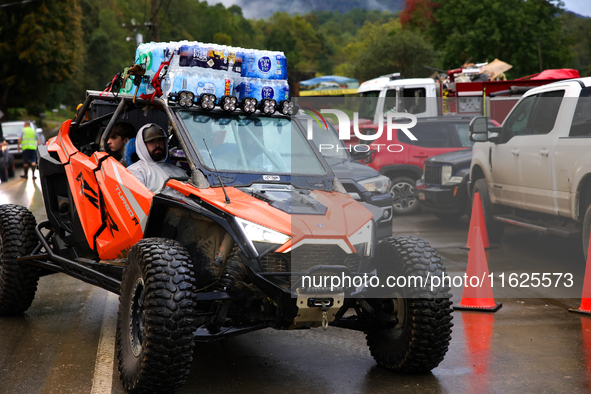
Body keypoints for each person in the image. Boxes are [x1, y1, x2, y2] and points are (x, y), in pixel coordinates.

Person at [127, 123, 188, 193]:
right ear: (143, 145)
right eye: (151, 141)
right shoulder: (135, 171)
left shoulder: (180, 172)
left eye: (160, 140)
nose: (157, 144)